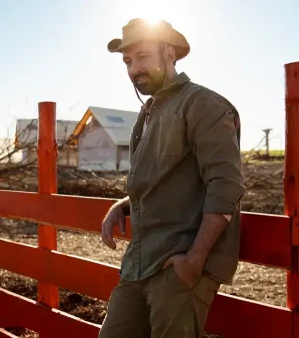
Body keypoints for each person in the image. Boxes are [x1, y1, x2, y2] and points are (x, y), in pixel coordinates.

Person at [99, 18, 246, 338]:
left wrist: (194, 260)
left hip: (179, 268)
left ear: (169, 53)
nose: (133, 68)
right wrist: (122, 205)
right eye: (127, 61)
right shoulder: (147, 113)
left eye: (142, 56)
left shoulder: (205, 105)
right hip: (139, 264)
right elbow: (162, 179)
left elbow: (226, 184)